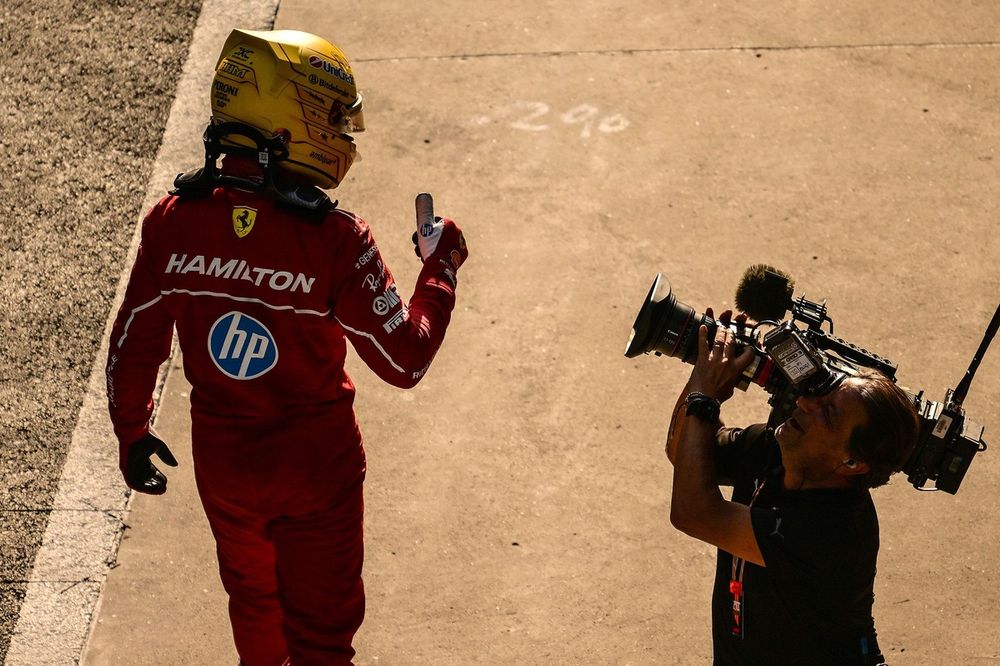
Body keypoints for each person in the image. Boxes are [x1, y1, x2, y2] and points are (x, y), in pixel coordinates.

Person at [105, 29, 468, 665]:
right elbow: (405, 359)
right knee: (323, 642)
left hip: (225, 469)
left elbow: (133, 343)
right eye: (335, 118)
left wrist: (131, 432)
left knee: (252, 608)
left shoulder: (173, 219)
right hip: (316, 473)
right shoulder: (335, 238)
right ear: (294, 125)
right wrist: (439, 270)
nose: (346, 136)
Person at [665, 308, 919, 665]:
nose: (804, 402)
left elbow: (694, 514)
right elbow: (684, 451)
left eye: (827, 413)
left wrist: (706, 395)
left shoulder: (834, 531)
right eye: (820, 395)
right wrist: (706, 365)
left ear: (851, 463)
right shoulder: (773, 448)